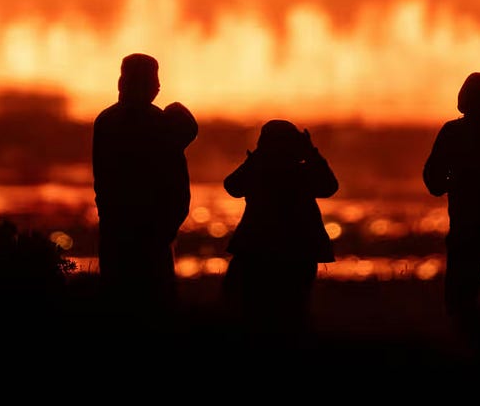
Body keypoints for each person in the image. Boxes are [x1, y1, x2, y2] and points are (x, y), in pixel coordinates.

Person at [91, 54, 197, 318]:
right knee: (153, 301)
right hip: (146, 229)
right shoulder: (159, 123)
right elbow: (176, 183)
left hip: (121, 225)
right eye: (152, 81)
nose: (157, 87)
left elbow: (103, 181)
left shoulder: (106, 120)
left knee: (121, 301)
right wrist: (169, 224)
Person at [222, 120, 338, 335]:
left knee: (256, 312)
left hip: (260, 251)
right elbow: (329, 185)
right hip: (293, 253)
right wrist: (311, 152)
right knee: (290, 313)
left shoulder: (265, 170)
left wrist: (257, 157)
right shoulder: (299, 172)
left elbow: (233, 186)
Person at [423, 72, 480, 350]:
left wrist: (455, 182)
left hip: (465, 228)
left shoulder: (453, 132)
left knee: (461, 300)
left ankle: (468, 354)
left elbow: (433, 180)